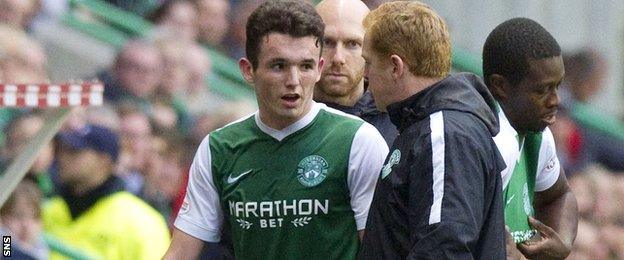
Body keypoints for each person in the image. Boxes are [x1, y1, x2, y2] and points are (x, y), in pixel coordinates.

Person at [164, 1, 388, 259]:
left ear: (319, 68)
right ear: (248, 70)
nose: (293, 81)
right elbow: (181, 252)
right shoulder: (219, 148)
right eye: (279, 66)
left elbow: (378, 251)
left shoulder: (359, 141)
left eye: (305, 66)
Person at [359, 1, 506, 259]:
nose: (365, 74)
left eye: (368, 63)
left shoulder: (445, 133)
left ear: (396, 66)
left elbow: (444, 248)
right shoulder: (424, 126)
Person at [482, 17, 578, 259]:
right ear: (500, 86)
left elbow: (560, 195)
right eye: (543, 89)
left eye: (558, 86)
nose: (556, 100)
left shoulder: (538, 134)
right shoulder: (488, 141)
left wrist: (562, 240)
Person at [42, 124, 170, 260]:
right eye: (61, 150)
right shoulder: (45, 210)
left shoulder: (142, 222)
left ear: (104, 160)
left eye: (74, 151)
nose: (63, 157)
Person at [314, 0, 397, 146]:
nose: (338, 58)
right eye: (327, 42)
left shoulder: (396, 125)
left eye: (352, 44)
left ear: (370, 50)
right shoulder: (283, 118)